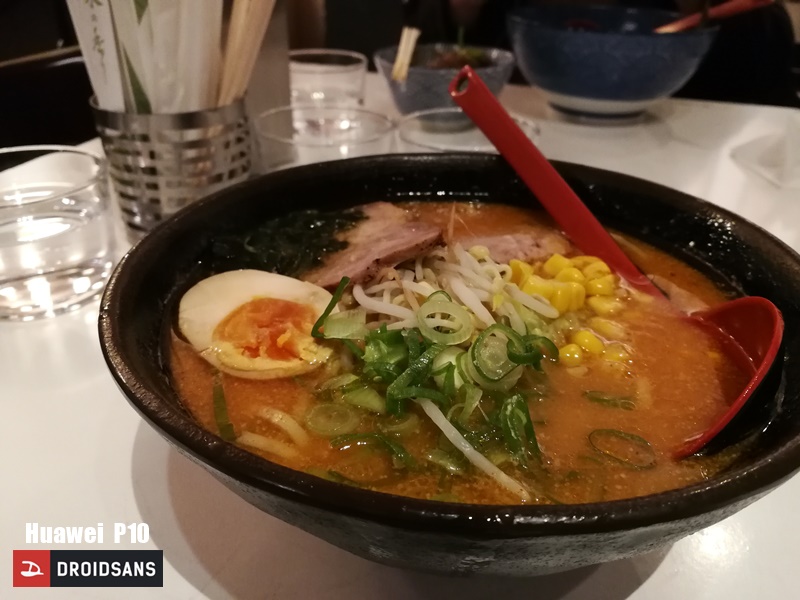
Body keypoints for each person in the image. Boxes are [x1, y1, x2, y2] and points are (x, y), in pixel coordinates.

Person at [403, 0, 799, 107]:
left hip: (680, 134)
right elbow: (422, 49)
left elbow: (768, 106)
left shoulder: (755, 28)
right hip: (520, 124)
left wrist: (697, 8)